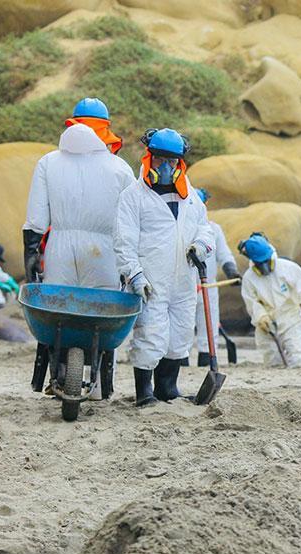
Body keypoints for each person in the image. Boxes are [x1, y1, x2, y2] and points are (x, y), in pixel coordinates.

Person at [23, 98, 134, 398]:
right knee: (100, 313)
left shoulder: (48, 162)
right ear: (105, 130)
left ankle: (57, 375)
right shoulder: (119, 168)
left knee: (59, 312)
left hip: (60, 246)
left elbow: (36, 218)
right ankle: (99, 385)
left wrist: (32, 254)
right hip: (105, 251)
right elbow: (131, 219)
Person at [115, 128, 214, 406]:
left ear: (180, 163)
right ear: (150, 157)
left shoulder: (190, 196)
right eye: (161, 160)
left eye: (173, 162)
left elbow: (205, 229)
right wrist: (134, 275)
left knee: (180, 335)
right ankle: (144, 392)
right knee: (150, 335)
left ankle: (167, 388)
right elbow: (124, 241)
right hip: (151, 281)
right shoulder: (133, 196)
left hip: (183, 279)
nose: (167, 167)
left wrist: (200, 247)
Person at [239, 233, 301, 368]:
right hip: (267, 323)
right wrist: (261, 317)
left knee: (300, 356)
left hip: (292, 317)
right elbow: (252, 301)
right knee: (271, 359)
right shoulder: (249, 278)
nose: (264, 265)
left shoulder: (287, 268)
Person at [193, 213, 240, 367]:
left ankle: (206, 363)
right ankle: (181, 364)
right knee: (183, 328)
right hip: (185, 287)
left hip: (209, 286)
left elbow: (224, 254)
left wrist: (231, 270)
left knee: (209, 327)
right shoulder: (180, 227)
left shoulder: (214, 229)